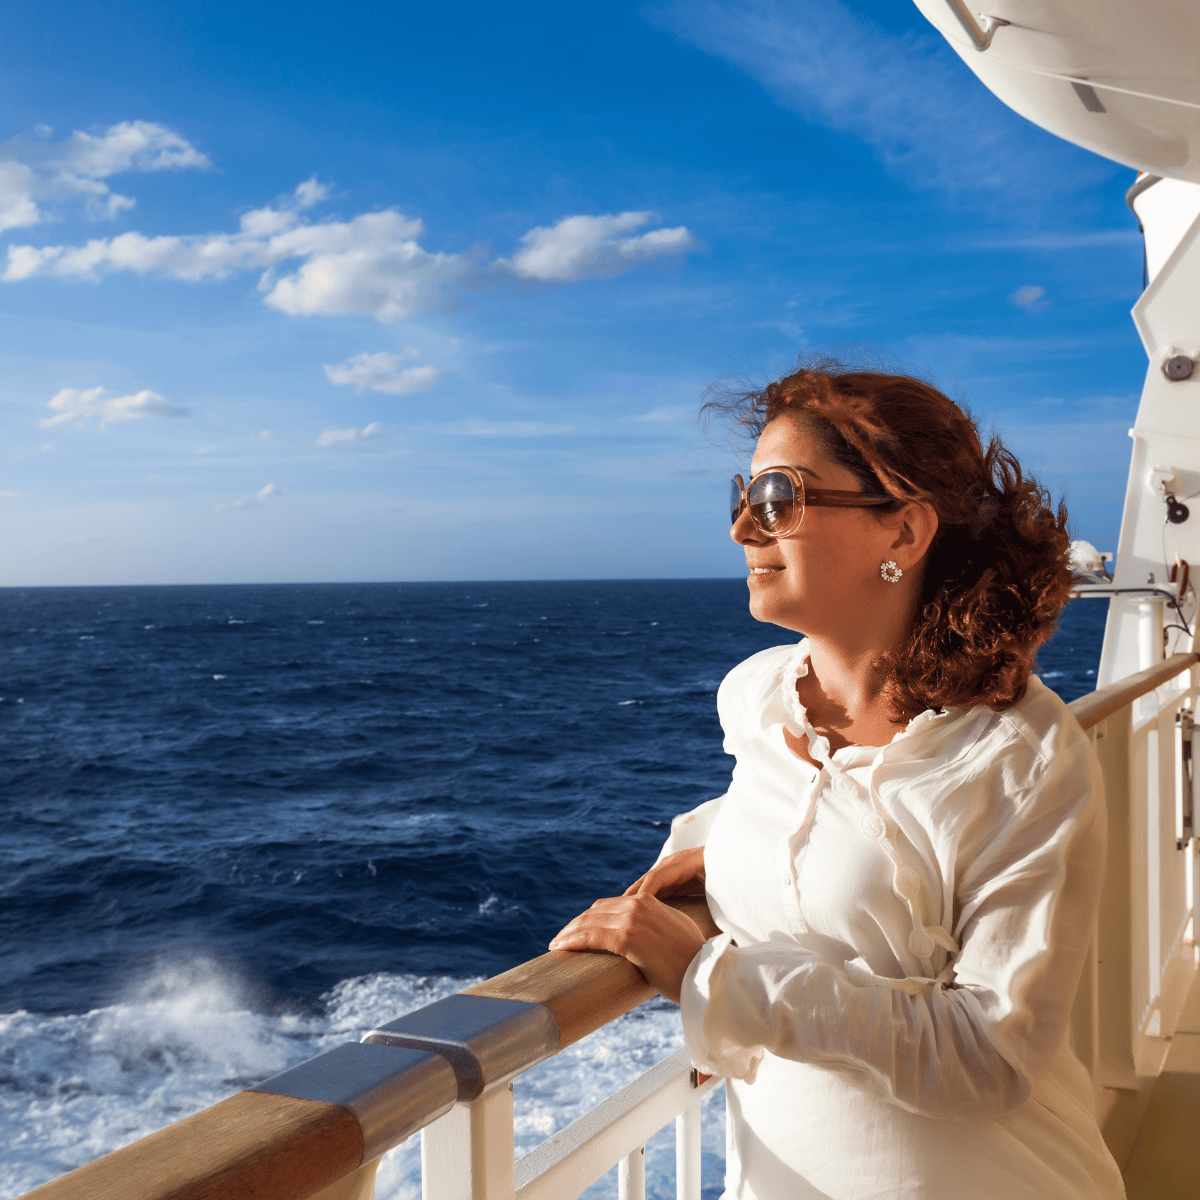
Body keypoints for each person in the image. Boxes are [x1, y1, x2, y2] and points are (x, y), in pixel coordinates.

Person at [549, 361, 1126, 1199]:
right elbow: (803, 803)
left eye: (779, 497)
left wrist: (714, 978)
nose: (746, 528)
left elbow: (987, 1054)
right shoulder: (757, 698)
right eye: (743, 497)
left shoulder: (1021, 754)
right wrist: (712, 845)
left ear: (905, 531)